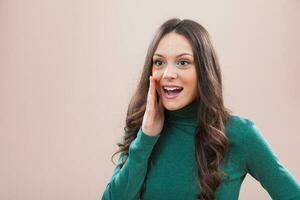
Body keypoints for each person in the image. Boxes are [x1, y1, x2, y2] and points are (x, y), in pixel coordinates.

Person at [101, 18, 300, 200]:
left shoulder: (240, 134)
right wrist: (146, 138)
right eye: (159, 62)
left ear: (204, 71)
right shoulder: (142, 130)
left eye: (183, 62)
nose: (168, 73)